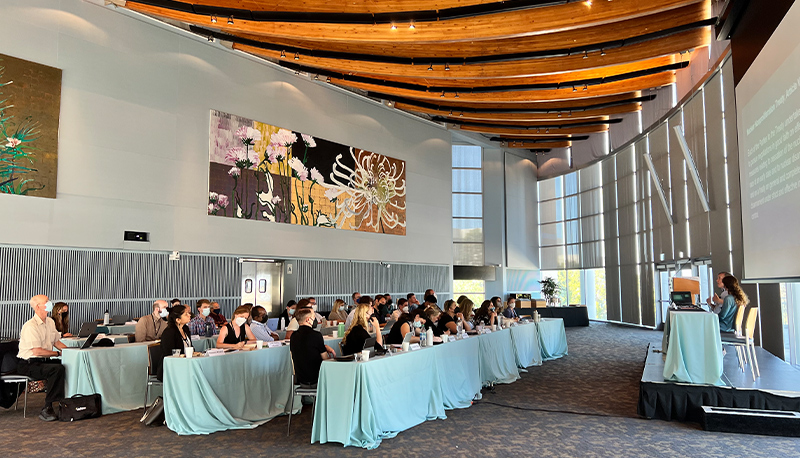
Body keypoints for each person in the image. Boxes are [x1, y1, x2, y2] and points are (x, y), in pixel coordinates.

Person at [17, 295, 67, 421]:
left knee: (66, 365)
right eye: (46, 301)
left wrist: (70, 351)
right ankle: (47, 407)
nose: (50, 303)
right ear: (38, 306)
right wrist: (57, 354)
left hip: (43, 361)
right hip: (28, 363)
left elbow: (57, 342)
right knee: (57, 369)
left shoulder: (50, 322)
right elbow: (37, 351)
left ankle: (66, 401)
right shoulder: (30, 326)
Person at [289, 308, 335, 387]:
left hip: (301, 379)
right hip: (316, 379)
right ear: (308, 320)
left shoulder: (293, 336)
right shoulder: (316, 335)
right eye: (314, 317)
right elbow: (325, 359)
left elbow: (306, 348)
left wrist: (324, 347)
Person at [158, 305, 192, 381]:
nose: (189, 315)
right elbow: (169, 354)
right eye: (186, 314)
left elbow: (190, 347)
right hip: (172, 367)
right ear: (178, 320)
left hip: (185, 364)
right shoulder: (169, 332)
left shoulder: (185, 329)